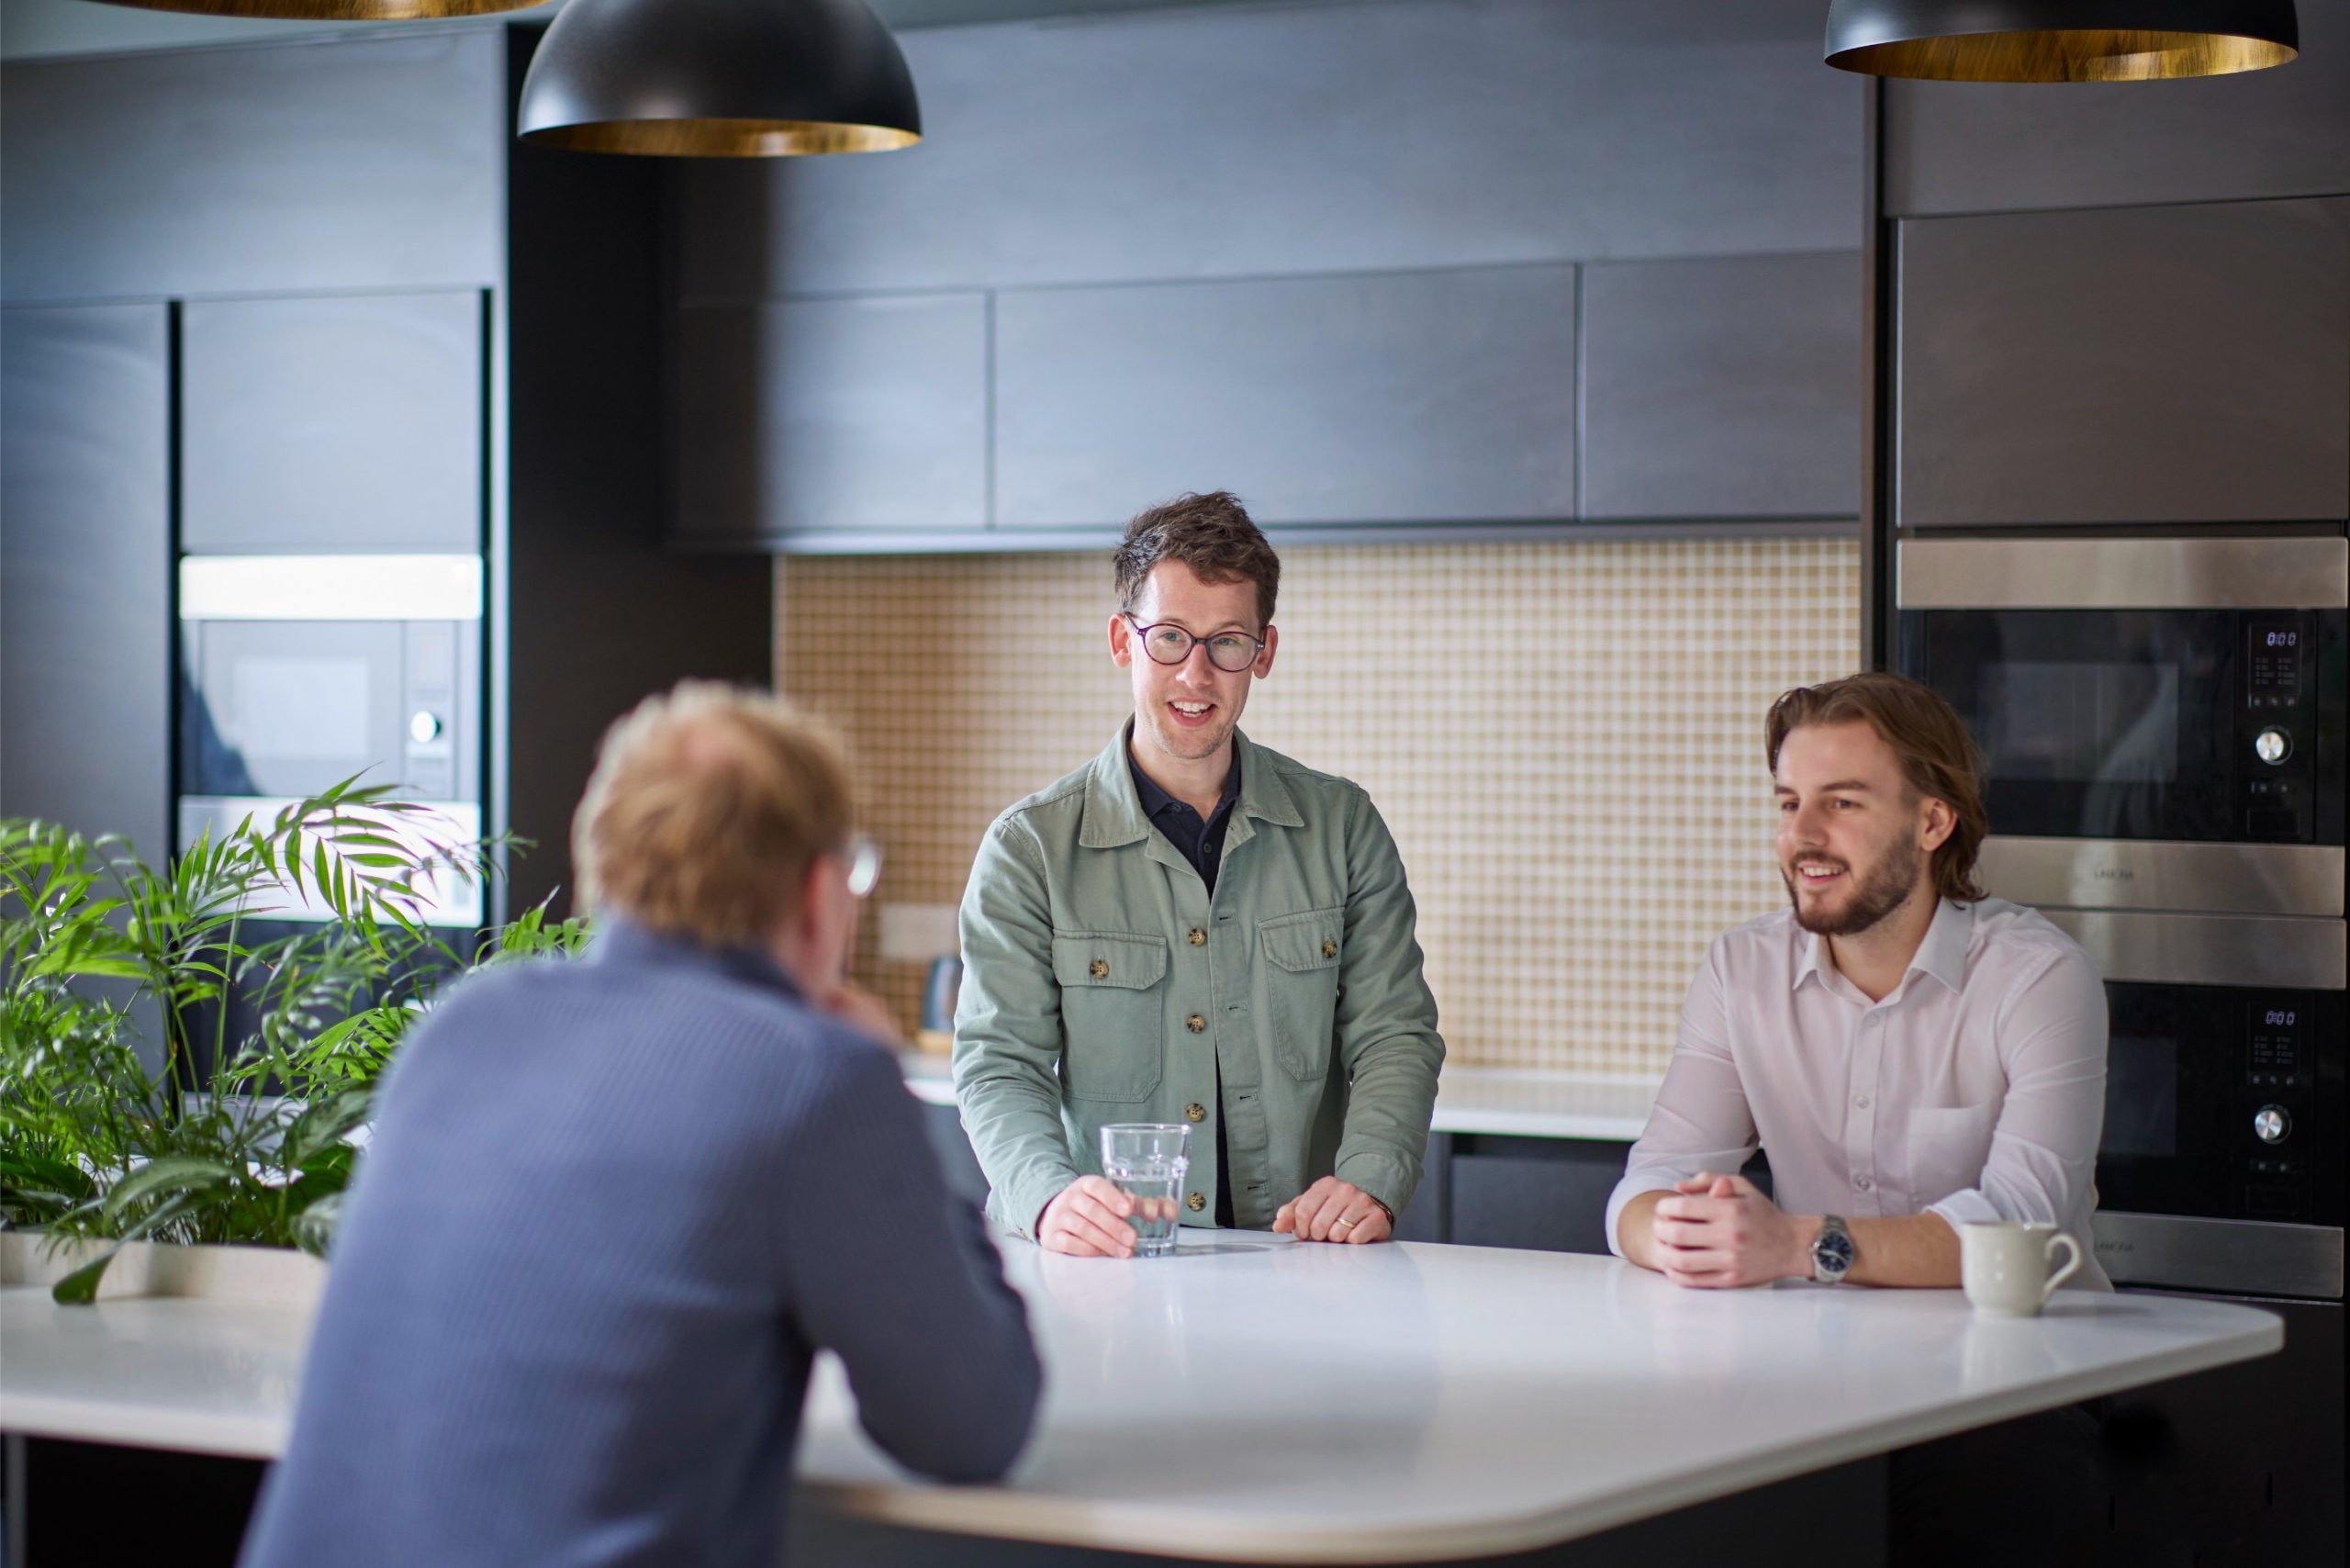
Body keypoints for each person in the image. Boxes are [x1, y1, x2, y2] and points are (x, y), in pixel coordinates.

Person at [241, 684, 1042, 1568]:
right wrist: (893, 1103)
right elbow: (973, 1425)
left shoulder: (461, 1024)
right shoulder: (811, 1079)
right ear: (820, 894)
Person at [954, 491, 1445, 1258]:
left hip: (1302, 1264)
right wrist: (1047, 1198)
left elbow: (1395, 1036)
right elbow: (997, 1066)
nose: (1197, 675)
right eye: (1171, 639)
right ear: (1123, 640)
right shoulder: (1029, 849)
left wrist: (1372, 1177)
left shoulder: (1344, 828)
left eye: (1228, 643)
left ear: (1265, 652)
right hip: (1106, 1266)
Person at [1608, 671, 2110, 1291]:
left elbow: (2020, 1225)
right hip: (1828, 1367)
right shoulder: (1740, 971)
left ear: (1932, 823)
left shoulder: (2040, 979)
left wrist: (1797, 1243)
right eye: (1790, 803)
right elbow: (1649, 1184)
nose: (1803, 836)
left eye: (1842, 803)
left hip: (2030, 1368)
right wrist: (1685, 1232)